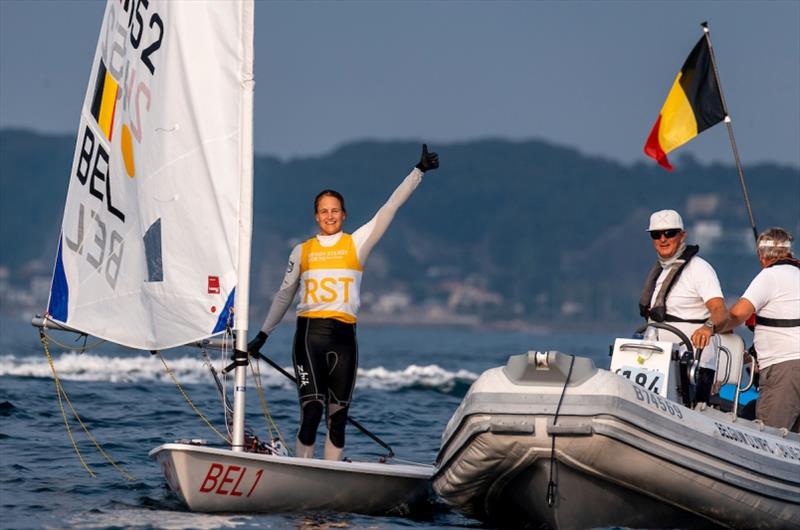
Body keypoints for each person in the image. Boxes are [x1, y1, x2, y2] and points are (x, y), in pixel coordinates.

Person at [247, 144, 439, 460]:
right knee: (311, 414)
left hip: (345, 339)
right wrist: (263, 335)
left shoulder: (357, 243)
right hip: (310, 337)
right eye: (324, 210)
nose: (330, 215)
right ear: (316, 216)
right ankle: (302, 471)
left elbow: (389, 208)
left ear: (344, 214)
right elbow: (284, 295)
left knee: (337, 421)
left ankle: (329, 478)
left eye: (335, 210)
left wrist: (417, 172)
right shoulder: (302, 251)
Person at [699, 227, 800, 432]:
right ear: (789, 251)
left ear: (761, 256)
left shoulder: (770, 276)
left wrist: (712, 327)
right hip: (791, 365)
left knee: (771, 436)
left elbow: (737, 314)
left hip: (785, 369)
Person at [638, 209, 726, 405]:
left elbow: (720, 310)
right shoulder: (661, 271)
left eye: (669, 233)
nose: (663, 239)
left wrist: (708, 326)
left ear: (682, 235)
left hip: (694, 363)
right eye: (656, 234)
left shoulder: (699, 269)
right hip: (656, 360)